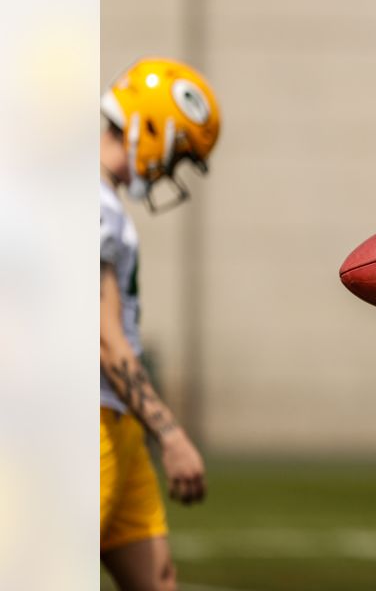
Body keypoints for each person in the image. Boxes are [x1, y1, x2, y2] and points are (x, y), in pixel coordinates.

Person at [100, 58, 220, 590]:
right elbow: (102, 338)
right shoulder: (87, 200)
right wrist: (170, 434)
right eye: (179, 153)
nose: (172, 169)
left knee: (159, 579)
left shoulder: (106, 203)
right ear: (155, 129)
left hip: (117, 422)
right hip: (83, 421)